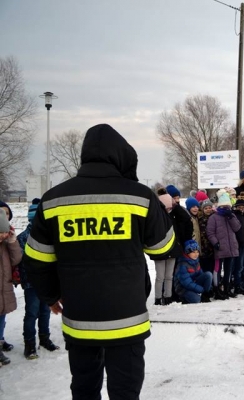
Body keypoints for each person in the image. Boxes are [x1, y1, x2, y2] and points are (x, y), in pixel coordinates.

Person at [23, 124, 174, 399]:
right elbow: (163, 247)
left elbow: (35, 259)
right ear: (122, 157)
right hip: (128, 319)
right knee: (125, 392)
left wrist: (50, 295)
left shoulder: (53, 200)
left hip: (79, 318)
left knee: (84, 389)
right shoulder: (140, 197)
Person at [17, 199, 59, 360]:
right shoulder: (24, 237)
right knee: (31, 313)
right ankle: (29, 345)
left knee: (45, 312)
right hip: (32, 284)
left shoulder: (49, 236)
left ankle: (44, 339)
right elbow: (22, 262)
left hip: (47, 283)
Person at [206, 191, 241, 297]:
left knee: (228, 269)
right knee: (217, 269)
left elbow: (237, 227)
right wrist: (215, 243)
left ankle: (227, 288)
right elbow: (210, 232)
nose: (226, 208)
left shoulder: (231, 215)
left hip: (231, 248)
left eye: (227, 205)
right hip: (220, 248)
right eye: (224, 205)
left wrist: (230, 217)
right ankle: (217, 289)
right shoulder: (214, 217)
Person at [0, 210, 20, 367]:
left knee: (1, 320)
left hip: (4, 289)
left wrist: (12, 242)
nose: (3, 235)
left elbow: (16, 259)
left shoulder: (6, 244)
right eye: (0, 232)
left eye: (5, 232)